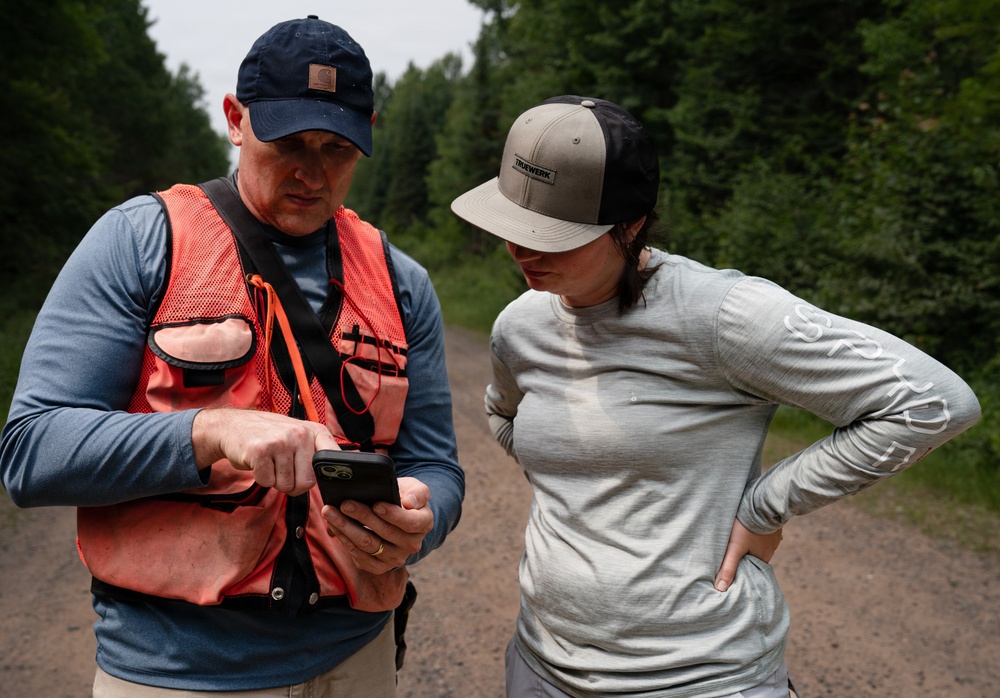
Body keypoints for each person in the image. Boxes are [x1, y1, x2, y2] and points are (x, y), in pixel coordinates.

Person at [450, 95, 981, 698]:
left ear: (632, 224)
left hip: (701, 678)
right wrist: (588, 483)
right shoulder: (521, 326)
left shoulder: (721, 316)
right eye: (514, 228)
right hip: (541, 667)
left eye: (557, 235)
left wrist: (766, 506)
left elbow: (931, 403)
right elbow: (503, 412)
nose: (523, 252)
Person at [0, 16, 464, 697]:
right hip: (177, 673)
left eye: (337, 149)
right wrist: (213, 431)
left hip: (356, 658)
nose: (312, 172)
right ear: (235, 119)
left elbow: (435, 464)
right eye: (289, 143)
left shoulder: (403, 283)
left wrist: (422, 522)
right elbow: (31, 452)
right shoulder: (139, 243)